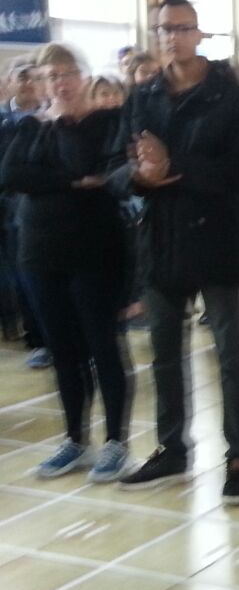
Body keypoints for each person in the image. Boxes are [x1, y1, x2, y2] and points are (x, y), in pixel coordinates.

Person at [112, 0, 239, 503]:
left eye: (181, 28)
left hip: (217, 237)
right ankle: (171, 448)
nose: (172, 37)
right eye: (163, 29)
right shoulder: (143, 95)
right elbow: (117, 165)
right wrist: (139, 176)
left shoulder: (230, 96)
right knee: (164, 354)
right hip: (162, 238)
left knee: (230, 352)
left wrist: (172, 166)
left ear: (199, 34)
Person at [1, 43, 132, 481]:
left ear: (82, 76)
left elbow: (101, 170)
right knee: (63, 351)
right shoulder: (29, 127)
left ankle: (115, 441)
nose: (60, 82)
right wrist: (74, 182)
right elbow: (12, 176)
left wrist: (55, 175)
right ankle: (75, 438)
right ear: (41, 82)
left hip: (95, 252)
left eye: (67, 73)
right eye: (51, 75)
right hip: (41, 253)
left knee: (102, 345)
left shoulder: (105, 122)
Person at [0, 58, 51, 365]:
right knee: (21, 277)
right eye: (21, 77)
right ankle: (37, 340)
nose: (28, 83)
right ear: (10, 81)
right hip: (8, 208)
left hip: (43, 206)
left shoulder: (51, 117)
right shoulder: (3, 120)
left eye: (34, 78)